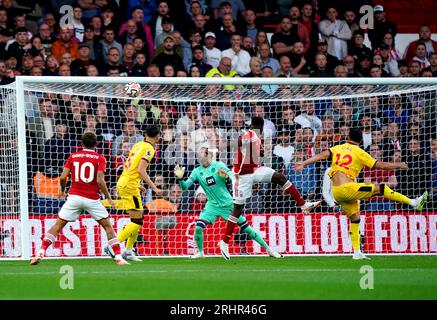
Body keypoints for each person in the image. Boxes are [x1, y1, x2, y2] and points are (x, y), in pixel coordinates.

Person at [294, 127, 429, 260]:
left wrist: (304, 163)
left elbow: (322, 154)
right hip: (348, 188)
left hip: (337, 192)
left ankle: (357, 252)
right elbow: (380, 165)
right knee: (381, 188)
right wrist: (398, 165)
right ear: (361, 140)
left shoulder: (338, 148)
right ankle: (413, 202)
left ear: (348, 137)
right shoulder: (360, 152)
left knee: (355, 218)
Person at [218, 117, 321, 260]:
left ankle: (303, 205)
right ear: (257, 126)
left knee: (280, 177)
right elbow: (236, 143)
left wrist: (260, 152)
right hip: (242, 177)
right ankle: (224, 242)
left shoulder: (257, 138)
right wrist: (220, 148)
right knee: (237, 209)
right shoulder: (248, 136)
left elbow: (257, 154)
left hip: (255, 170)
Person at [30, 132, 128, 265]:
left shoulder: (73, 156)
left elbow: (63, 177)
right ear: (96, 144)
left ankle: (40, 252)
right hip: (91, 199)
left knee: (58, 226)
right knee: (108, 227)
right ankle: (118, 258)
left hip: (74, 197)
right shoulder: (100, 158)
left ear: (81, 144)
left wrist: (63, 191)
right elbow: (100, 180)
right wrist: (109, 198)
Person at [174, 145, 282, 259]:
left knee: (247, 228)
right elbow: (185, 187)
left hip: (228, 204)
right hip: (212, 205)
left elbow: (231, 175)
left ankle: (269, 250)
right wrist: (180, 179)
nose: (198, 155)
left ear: (207, 154)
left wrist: (227, 177)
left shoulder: (218, 165)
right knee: (198, 227)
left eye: (200, 152)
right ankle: (201, 253)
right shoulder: (197, 171)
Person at [102, 126, 163, 261]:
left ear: (145, 134)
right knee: (137, 221)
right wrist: (154, 187)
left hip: (126, 182)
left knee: (136, 220)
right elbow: (141, 170)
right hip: (129, 185)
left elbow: (131, 166)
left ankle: (129, 251)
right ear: (158, 136)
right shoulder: (150, 149)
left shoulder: (138, 144)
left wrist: (138, 184)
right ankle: (112, 246)